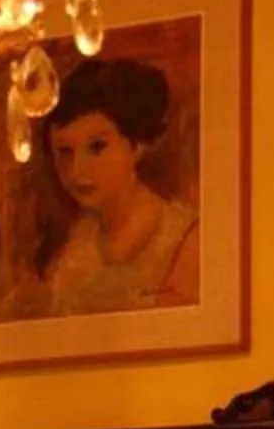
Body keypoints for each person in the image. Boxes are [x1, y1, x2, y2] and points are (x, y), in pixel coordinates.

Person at [18, 57, 197, 316]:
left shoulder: (184, 240)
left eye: (97, 147)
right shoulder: (73, 250)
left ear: (136, 145)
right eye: (64, 152)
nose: (77, 170)